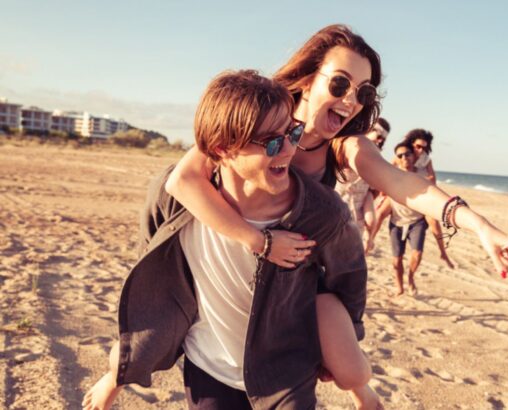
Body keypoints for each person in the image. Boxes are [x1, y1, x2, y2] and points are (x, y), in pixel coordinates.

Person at [165, 22, 508, 401]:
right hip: (231, 266)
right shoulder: (261, 114)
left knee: (344, 364)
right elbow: (183, 180)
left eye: (364, 92)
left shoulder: (345, 145)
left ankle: (364, 393)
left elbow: (402, 184)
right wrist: (258, 241)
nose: (351, 100)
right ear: (308, 79)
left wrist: (478, 225)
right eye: (339, 84)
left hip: (294, 275)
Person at [83, 70, 376, 410]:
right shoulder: (175, 198)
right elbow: (151, 259)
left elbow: (349, 280)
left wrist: (339, 348)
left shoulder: (322, 212)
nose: (288, 150)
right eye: (271, 142)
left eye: (292, 133)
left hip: (287, 371)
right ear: (223, 149)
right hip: (209, 366)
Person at [368, 142, 427, 296]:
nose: (404, 157)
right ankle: (399, 286)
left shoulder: (422, 173)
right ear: (397, 158)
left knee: (417, 254)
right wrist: (371, 239)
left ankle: (411, 277)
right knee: (396, 259)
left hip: (417, 221)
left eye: (407, 154)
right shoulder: (392, 174)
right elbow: (378, 191)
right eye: (400, 155)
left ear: (413, 156)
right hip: (397, 221)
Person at [334, 117, 390, 250]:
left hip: (357, 205)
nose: (380, 140)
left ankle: (368, 240)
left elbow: (374, 188)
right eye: (379, 136)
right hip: (337, 201)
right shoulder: (346, 143)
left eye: (383, 139)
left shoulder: (375, 156)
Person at [404, 129, 456, 269]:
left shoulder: (426, 159)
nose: (421, 150)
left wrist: (422, 179)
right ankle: (369, 241)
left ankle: (443, 253)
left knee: (434, 222)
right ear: (411, 143)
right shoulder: (403, 154)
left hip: (422, 195)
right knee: (380, 212)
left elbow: (433, 178)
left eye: (424, 147)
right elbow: (392, 169)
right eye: (418, 146)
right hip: (403, 193)